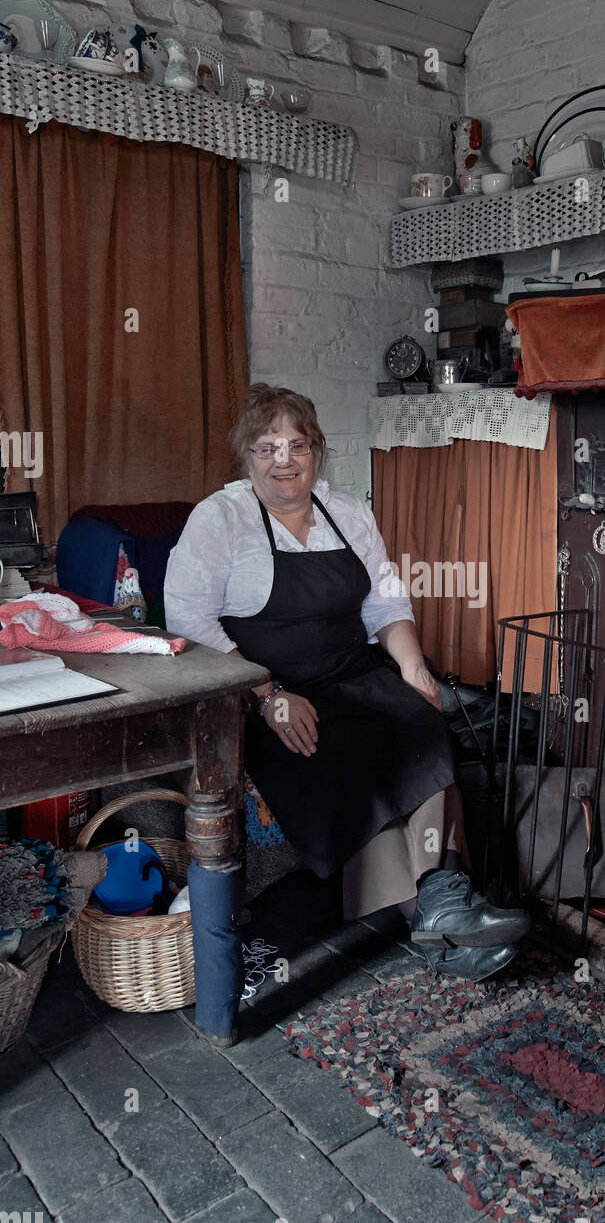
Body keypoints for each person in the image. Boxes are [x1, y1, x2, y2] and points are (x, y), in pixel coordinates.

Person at [164, 384, 529, 981]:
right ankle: (437, 914)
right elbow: (187, 619)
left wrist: (413, 665)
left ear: (318, 451)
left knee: (421, 724)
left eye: (297, 445)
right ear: (247, 456)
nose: (284, 459)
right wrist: (270, 697)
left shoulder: (348, 512)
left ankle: (441, 904)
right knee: (345, 755)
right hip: (263, 692)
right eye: (267, 447)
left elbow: (386, 603)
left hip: (350, 672)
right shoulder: (221, 518)